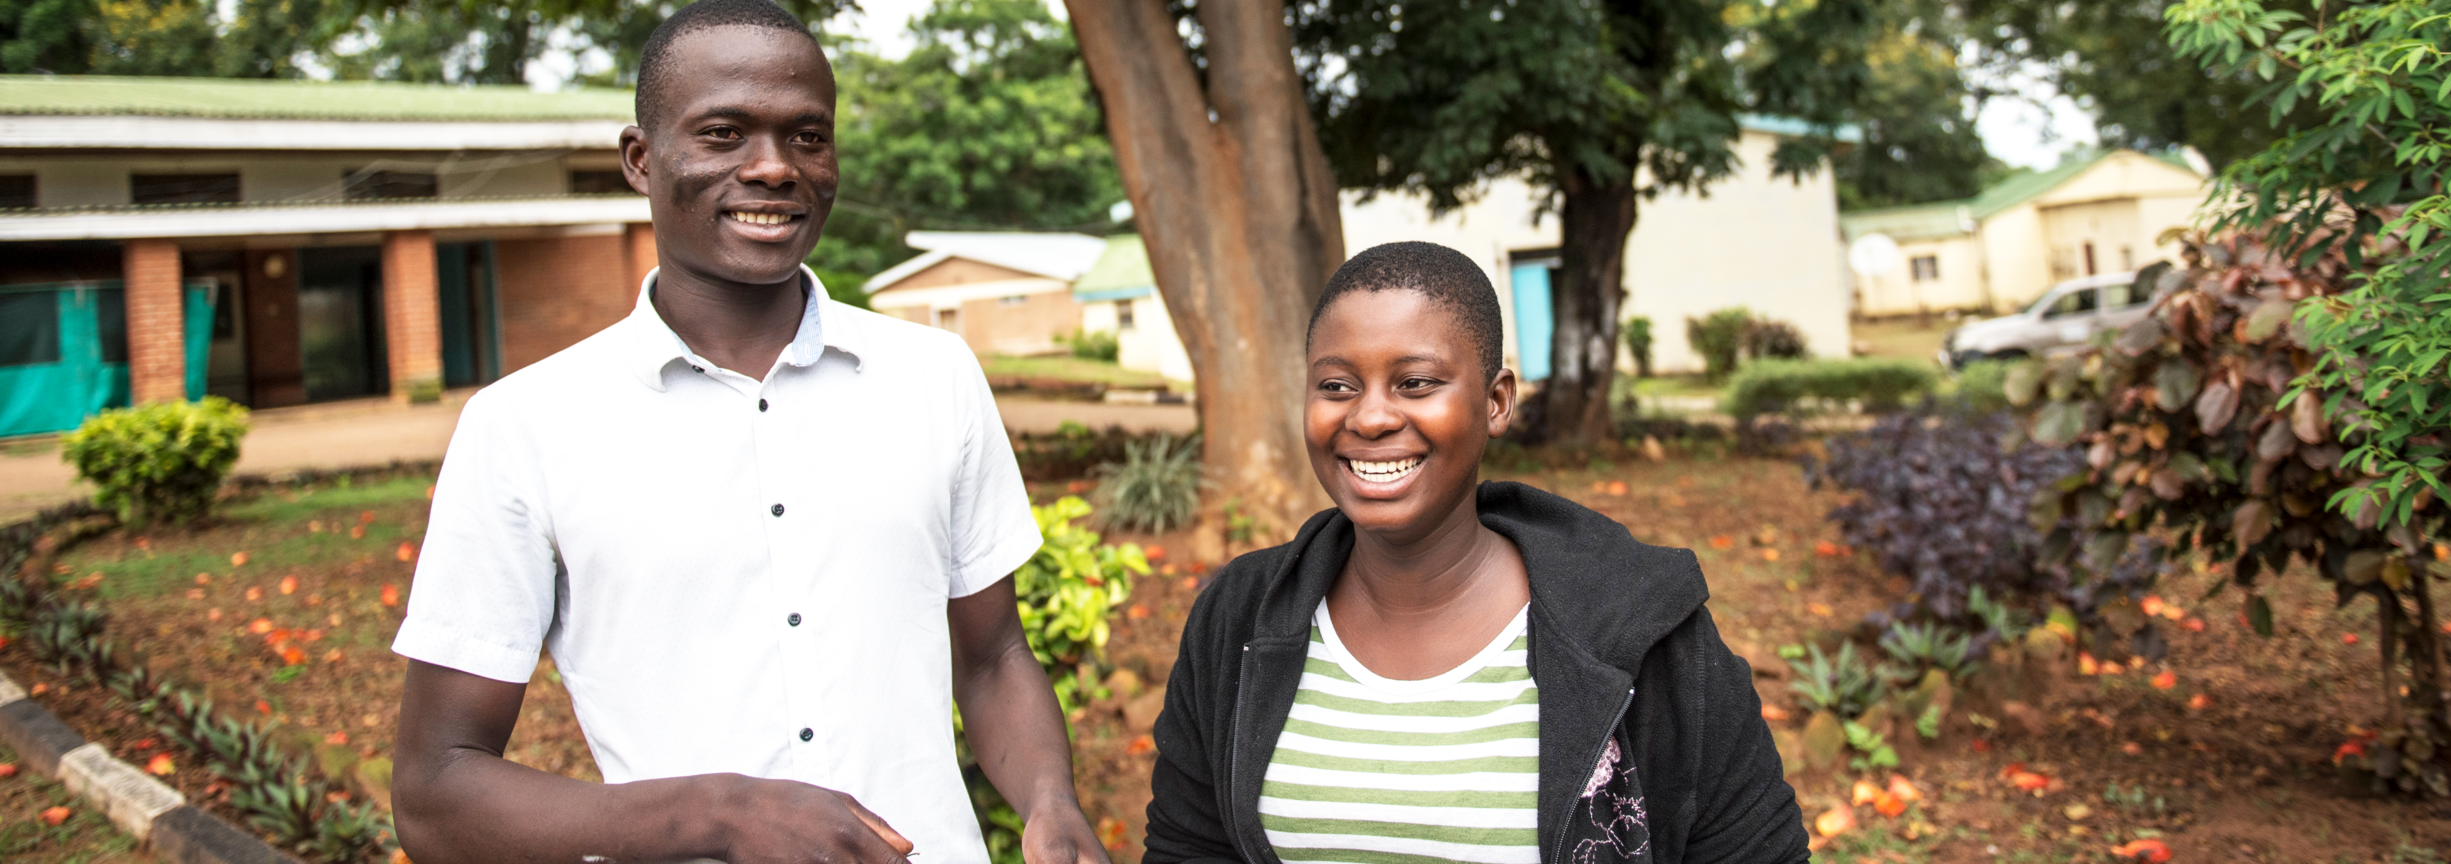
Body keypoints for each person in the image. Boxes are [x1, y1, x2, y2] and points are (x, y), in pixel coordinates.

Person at [387, 3, 1109, 863]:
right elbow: (435, 795)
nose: (774, 167)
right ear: (640, 159)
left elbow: (992, 658)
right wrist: (718, 816)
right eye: (724, 134)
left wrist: (1049, 800)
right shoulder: (523, 426)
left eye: (808, 136)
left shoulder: (934, 376)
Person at [1142, 242, 1807, 864]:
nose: (1369, 418)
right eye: (1337, 386)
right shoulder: (1238, 619)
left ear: (1496, 402)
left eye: (1415, 383)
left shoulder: (1644, 635)